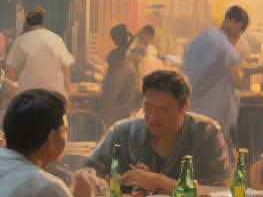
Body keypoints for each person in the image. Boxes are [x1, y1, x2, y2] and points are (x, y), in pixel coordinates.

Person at [85, 69, 233, 190]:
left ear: (184, 107)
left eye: (163, 110)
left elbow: (222, 192)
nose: (153, 117)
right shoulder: (122, 133)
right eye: (147, 108)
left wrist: (161, 182)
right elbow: (85, 175)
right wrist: (118, 180)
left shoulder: (207, 134)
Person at [182, 5, 250, 142]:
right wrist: (245, 77)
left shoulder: (201, 37)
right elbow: (236, 79)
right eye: (238, 32)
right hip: (213, 113)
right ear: (237, 23)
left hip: (191, 108)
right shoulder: (225, 45)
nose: (237, 37)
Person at [6, 7, 73, 96]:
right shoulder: (56, 39)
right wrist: (67, 85)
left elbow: (11, 72)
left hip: (29, 96)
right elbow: (65, 68)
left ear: (27, 22)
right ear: (42, 21)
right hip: (54, 95)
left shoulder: (21, 40)